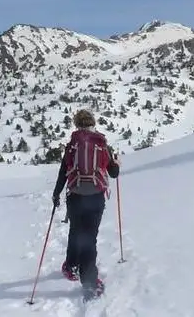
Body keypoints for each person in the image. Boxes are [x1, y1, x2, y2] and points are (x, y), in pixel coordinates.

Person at [52, 108, 120, 301]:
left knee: (75, 231)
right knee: (89, 238)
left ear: (77, 124)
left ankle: (71, 265)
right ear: (93, 123)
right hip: (96, 198)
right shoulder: (102, 144)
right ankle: (89, 282)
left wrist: (56, 194)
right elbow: (114, 173)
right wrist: (116, 163)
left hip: (75, 196)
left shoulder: (72, 145)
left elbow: (63, 172)